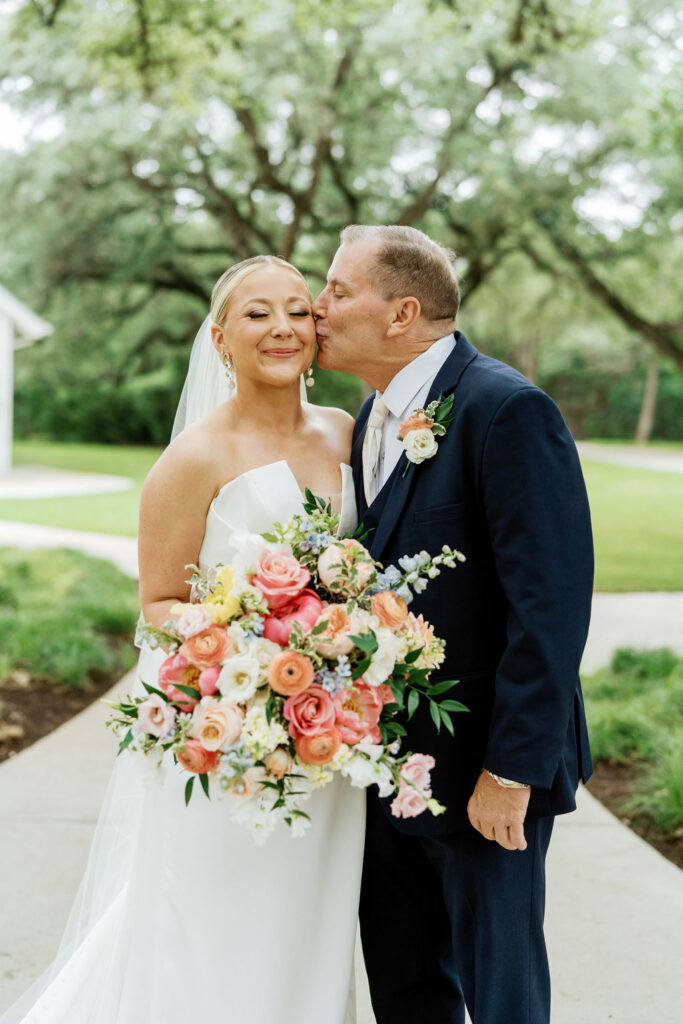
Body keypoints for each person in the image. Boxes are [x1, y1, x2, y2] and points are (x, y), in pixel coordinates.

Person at [1, 255, 365, 1024]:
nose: (283, 329)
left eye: (299, 311)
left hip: (328, 738)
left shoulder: (345, 434)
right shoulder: (192, 458)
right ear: (220, 338)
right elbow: (159, 603)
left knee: (312, 920)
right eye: (258, 313)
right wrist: (255, 651)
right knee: (213, 920)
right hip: (234, 733)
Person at [313, 224, 594, 1024]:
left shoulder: (505, 410)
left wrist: (510, 774)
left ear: (402, 313)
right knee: (405, 986)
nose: (316, 304)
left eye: (337, 289)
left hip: (484, 774)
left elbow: (550, 608)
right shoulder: (368, 416)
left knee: (500, 994)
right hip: (384, 767)